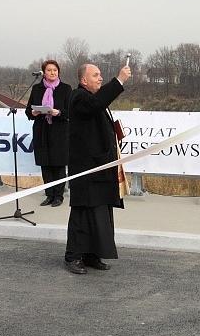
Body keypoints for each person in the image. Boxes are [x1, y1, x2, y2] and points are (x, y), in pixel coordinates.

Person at [64, 62, 131, 274]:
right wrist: (119, 80)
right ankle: (73, 256)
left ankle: (92, 254)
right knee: (82, 214)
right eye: (95, 75)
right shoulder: (78, 97)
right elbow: (96, 104)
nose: (100, 78)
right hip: (86, 169)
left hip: (100, 167)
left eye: (101, 75)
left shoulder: (92, 98)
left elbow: (98, 105)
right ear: (83, 80)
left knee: (100, 213)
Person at [25, 60, 72, 208]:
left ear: (58, 72)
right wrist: (33, 112)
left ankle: (58, 196)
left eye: (55, 70)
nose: (52, 72)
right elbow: (28, 111)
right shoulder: (37, 88)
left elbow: (71, 111)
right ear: (43, 73)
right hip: (42, 130)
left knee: (59, 165)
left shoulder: (65, 89)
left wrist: (58, 112)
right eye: (49, 70)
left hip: (59, 131)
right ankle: (49, 195)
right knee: (45, 165)